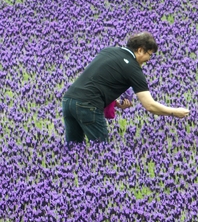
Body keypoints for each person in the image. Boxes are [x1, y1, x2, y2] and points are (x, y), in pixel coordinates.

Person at [61, 32, 190, 143]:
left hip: (68, 101)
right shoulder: (133, 69)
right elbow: (150, 105)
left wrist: (116, 103)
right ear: (140, 50)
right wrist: (174, 112)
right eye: (149, 54)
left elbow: (99, 81)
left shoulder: (108, 51)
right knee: (100, 151)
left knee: (73, 149)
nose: (149, 59)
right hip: (88, 106)